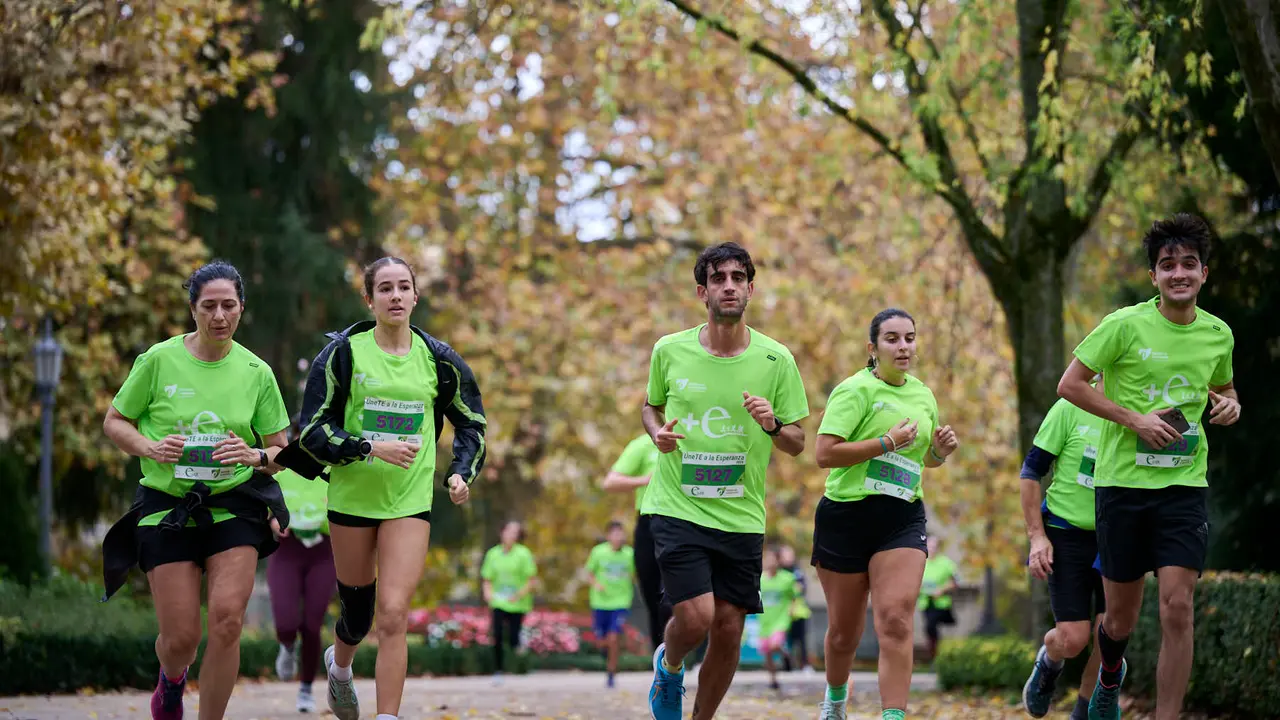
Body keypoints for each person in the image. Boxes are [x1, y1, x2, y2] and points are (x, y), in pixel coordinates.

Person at [1056, 214, 1239, 720]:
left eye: (1188, 264)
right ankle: (1110, 671)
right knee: (1119, 619)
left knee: (1178, 608)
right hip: (1122, 488)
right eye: (1167, 265)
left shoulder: (1218, 334)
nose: (1178, 273)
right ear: (1153, 276)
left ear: (1204, 273)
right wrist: (1133, 419)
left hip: (1183, 487)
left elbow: (1223, 389)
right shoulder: (1124, 325)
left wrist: (1230, 405)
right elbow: (1070, 385)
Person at [292, 256, 487, 720]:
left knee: (394, 613)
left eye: (404, 287)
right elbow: (313, 432)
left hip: (409, 501)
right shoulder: (343, 354)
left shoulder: (439, 360)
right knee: (357, 616)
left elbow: (472, 424)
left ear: (416, 296)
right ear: (369, 299)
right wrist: (368, 447)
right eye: (385, 288)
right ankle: (339, 668)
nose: (395, 296)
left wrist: (461, 472)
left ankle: (387, 716)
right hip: (352, 500)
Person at [99, 261, 292, 720]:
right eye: (209, 306)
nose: (219, 316)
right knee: (182, 639)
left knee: (227, 621)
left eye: (229, 305)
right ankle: (171, 677)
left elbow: (280, 450)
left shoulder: (256, 372)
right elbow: (115, 421)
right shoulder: (158, 360)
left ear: (241, 308)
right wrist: (150, 447)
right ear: (193, 309)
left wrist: (254, 456)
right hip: (168, 507)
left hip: (235, 508)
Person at [640, 241, 810, 720]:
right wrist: (658, 435)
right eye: (719, 279)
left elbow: (798, 443)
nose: (729, 286)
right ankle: (670, 666)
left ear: (751, 289)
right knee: (696, 617)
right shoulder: (669, 350)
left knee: (730, 627)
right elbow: (650, 406)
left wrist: (773, 424)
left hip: (741, 513)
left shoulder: (777, 360)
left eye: (738, 278)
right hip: (678, 505)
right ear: (703, 291)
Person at [811, 308, 960, 720]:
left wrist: (938, 453)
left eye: (909, 338)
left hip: (901, 518)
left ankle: (893, 715)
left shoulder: (923, 395)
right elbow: (824, 453)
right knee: (844, 634)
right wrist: (885, 443)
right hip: (845, 518)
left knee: (896, 619)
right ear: (872, 348)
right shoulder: (854, 391)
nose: (903, 346)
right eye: (892, 339)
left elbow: (922, 461)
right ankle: (836, 701)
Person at [1019, 380, 1108, 720]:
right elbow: (1031, 472)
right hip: (1066, 533)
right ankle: (1049, 661)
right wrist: (1037, 537)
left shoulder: (1138, 411)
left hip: (1115, 536)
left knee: (1110, 634)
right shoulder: (1070, 407)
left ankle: (1083, 712)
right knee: (1073, 639)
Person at [267, 415, 338, 714]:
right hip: (288, 549)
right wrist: (271, 521)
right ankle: (286, 646)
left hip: (323, 552)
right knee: (286, 622)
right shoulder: (281, 471)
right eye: (300, 436)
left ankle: (307, 687)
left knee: (312, 623)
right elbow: (262, 503)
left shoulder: (333, 472)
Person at [601, 432, 667, 650]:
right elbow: (610, 482)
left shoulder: (694, 437)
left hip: (684, 522)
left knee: (675, 595)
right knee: (652, 595)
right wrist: (645, 480)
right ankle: (661, 659)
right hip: (649, 522)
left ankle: (684, 652)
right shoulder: (643, 444)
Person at [482, 520, 539, 684]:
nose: (511, 535)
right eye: (509, 531)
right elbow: (487, 578)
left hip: (517, 603)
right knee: (497, 634)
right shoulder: (493, 554)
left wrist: (519, 594)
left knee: (514, 638)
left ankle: (519, 642)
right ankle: (498, 670)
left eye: (515, 533)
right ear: (502, 532)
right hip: (499, 601)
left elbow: (531, 580)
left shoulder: (524, 554)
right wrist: (487, 593)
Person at [585, 520, 636, 688]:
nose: (618, 537)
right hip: (600, 602)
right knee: (602, 641)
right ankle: (605, 652)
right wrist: (596, 584)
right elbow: (589, 574)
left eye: (621, 533)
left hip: (620, 602)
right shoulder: (598, 552)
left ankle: (611, 672)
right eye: (615, 533)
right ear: (608, 536)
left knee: (614, 638)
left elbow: (636, 574)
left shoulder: (630, 554)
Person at [756, 545, 797, 692]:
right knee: (767, 653)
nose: (769, 562)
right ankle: (773, 680)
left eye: (772, 559)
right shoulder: (760, 579)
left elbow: (795, 596)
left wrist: (792, 609)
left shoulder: (787, 578)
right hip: (765, 619)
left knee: (775, 645)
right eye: (767, 559)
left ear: (778, 561)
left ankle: (785, 655)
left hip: (781, 618)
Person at [917, 537, 958, 663]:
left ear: (938, 548)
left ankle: (936, 652)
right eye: (929, 546)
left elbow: (955, 583)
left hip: (941, 603)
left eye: (934, 547)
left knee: (933, 625)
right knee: (930, 627)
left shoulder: (946, 564)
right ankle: (934, 654)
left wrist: (941, 590)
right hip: (926, 602)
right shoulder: (921, 563)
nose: (932, 549)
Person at [778, 544, 812, 673]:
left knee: (801, 640)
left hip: (799, 613)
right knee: (786, 641)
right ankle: (787, 665)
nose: (788, 557)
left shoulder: (797, 572)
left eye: (790, 554)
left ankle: (805, 664)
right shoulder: (778, 572)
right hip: (782, 613)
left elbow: (801, 590)